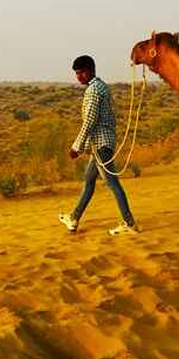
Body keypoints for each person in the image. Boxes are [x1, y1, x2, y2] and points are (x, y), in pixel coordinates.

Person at [58, 55, 139, 235]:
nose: (78, 76)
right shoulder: (100, 86)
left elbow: (90, 121)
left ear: (90, 71)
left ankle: (129, 222)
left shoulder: (94, 90)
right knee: (89, 181)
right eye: (77, 73)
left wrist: (76, 147)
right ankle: (74, 217)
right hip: (100, 143)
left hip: (101, 144)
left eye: (81, 73)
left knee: (112, 183)